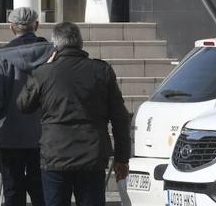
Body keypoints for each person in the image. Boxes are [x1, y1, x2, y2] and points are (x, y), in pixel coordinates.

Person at [17, 22, 131, 206]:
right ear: (80, 43)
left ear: (55, 45)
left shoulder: (44, 73)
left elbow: (23, 105)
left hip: (55, 155)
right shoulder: (101, 71)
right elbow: (120, 117)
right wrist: (122, 157)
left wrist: (44, 67)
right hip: (92, 157)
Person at [0, 7, 53, 206]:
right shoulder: (52, 53)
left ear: (11, 27)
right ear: (37, 26)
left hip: (10, 136)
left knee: (12, 191)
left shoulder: (1, 57)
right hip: (44, 135)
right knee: (42, 191)